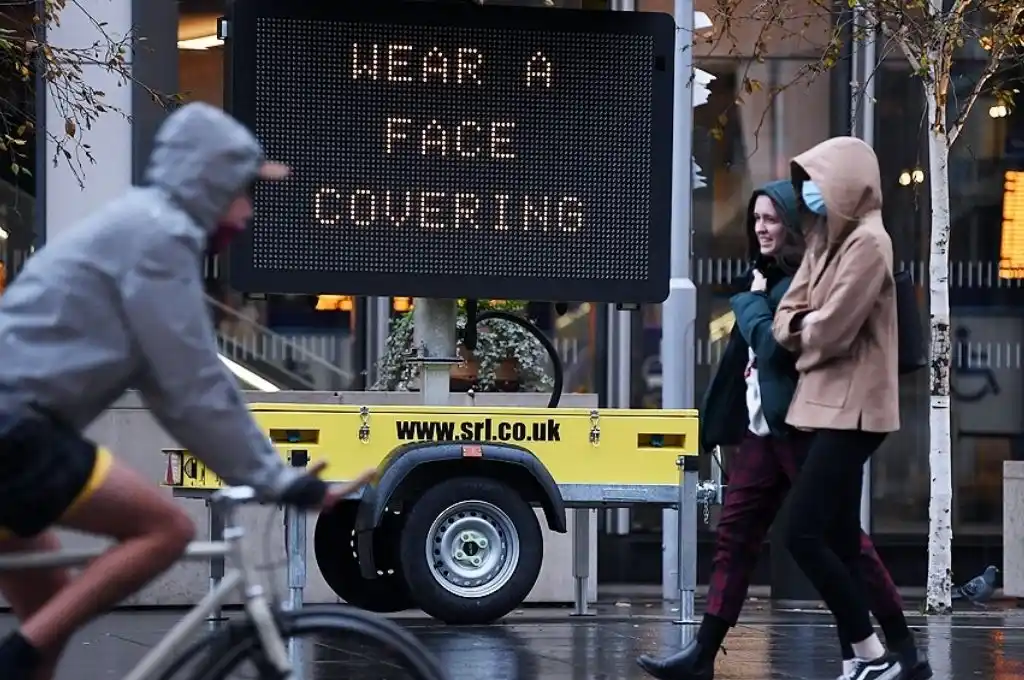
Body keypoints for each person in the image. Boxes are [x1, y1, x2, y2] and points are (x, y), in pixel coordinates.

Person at [0, 102, 374, 680]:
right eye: (244, 192)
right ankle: (15, 654)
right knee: (167, 529)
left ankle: (22, 657)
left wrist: (263, 472)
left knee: (50, 618)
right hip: (15, 426)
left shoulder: (137, 225)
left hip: (20, 425)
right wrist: (276, 479)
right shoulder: (159, 237)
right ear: (209, 182)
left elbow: (171, 389)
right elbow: (193, 387)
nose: (248, 212)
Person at [635, 180, 929, 680]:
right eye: (756, 219)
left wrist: (749, 303)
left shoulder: (804, 280)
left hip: (806, 425)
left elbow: (775, 348)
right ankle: (702, 654)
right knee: (735, 535)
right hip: (762, 430)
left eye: (771, 219)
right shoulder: (763, 277)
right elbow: (748, 359)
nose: (761, 228)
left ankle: (900, 651)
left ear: (792, 225)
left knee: (841, 542)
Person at [771, 137, 916, 680]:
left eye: (818, 181)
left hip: (854, 410)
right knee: (837, 540)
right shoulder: (824, 238)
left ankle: (874, 655)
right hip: (824, 405)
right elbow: (789, 313)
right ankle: (863, 659)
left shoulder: (870, 243)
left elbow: (832, 330)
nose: (809, 192)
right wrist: (804, 325)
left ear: (846, 184)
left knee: (800, 534)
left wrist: (805, 330)